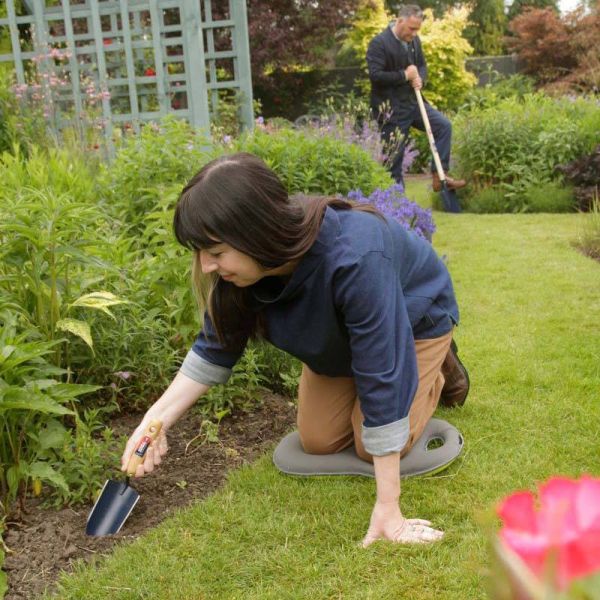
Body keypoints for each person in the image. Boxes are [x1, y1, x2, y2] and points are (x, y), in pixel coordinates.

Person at [120, 152, 470, 546]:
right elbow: (214, 348)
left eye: (215, 253)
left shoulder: (356, 255)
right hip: (339, 341)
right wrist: (155, 422)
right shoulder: (244, 274)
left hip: (412, 322)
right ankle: (388, 380)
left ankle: (438, 366)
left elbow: (382, 370)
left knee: (372, 445)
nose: (205, 267)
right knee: (317, 440)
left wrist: (389, 509)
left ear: (255, 233)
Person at [366, 4, 467, 191]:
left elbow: (421, 66)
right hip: (391, 110)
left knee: (443, 126)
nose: (414, 33)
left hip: (414, 104)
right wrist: (405, 75)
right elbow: (376, 76)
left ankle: (439, 175)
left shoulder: (414, 41)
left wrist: (420, 78)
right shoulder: (379, 43)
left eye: (417, 29)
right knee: (393, 162)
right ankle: (396, 206)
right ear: (399, 20)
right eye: (412, 28)